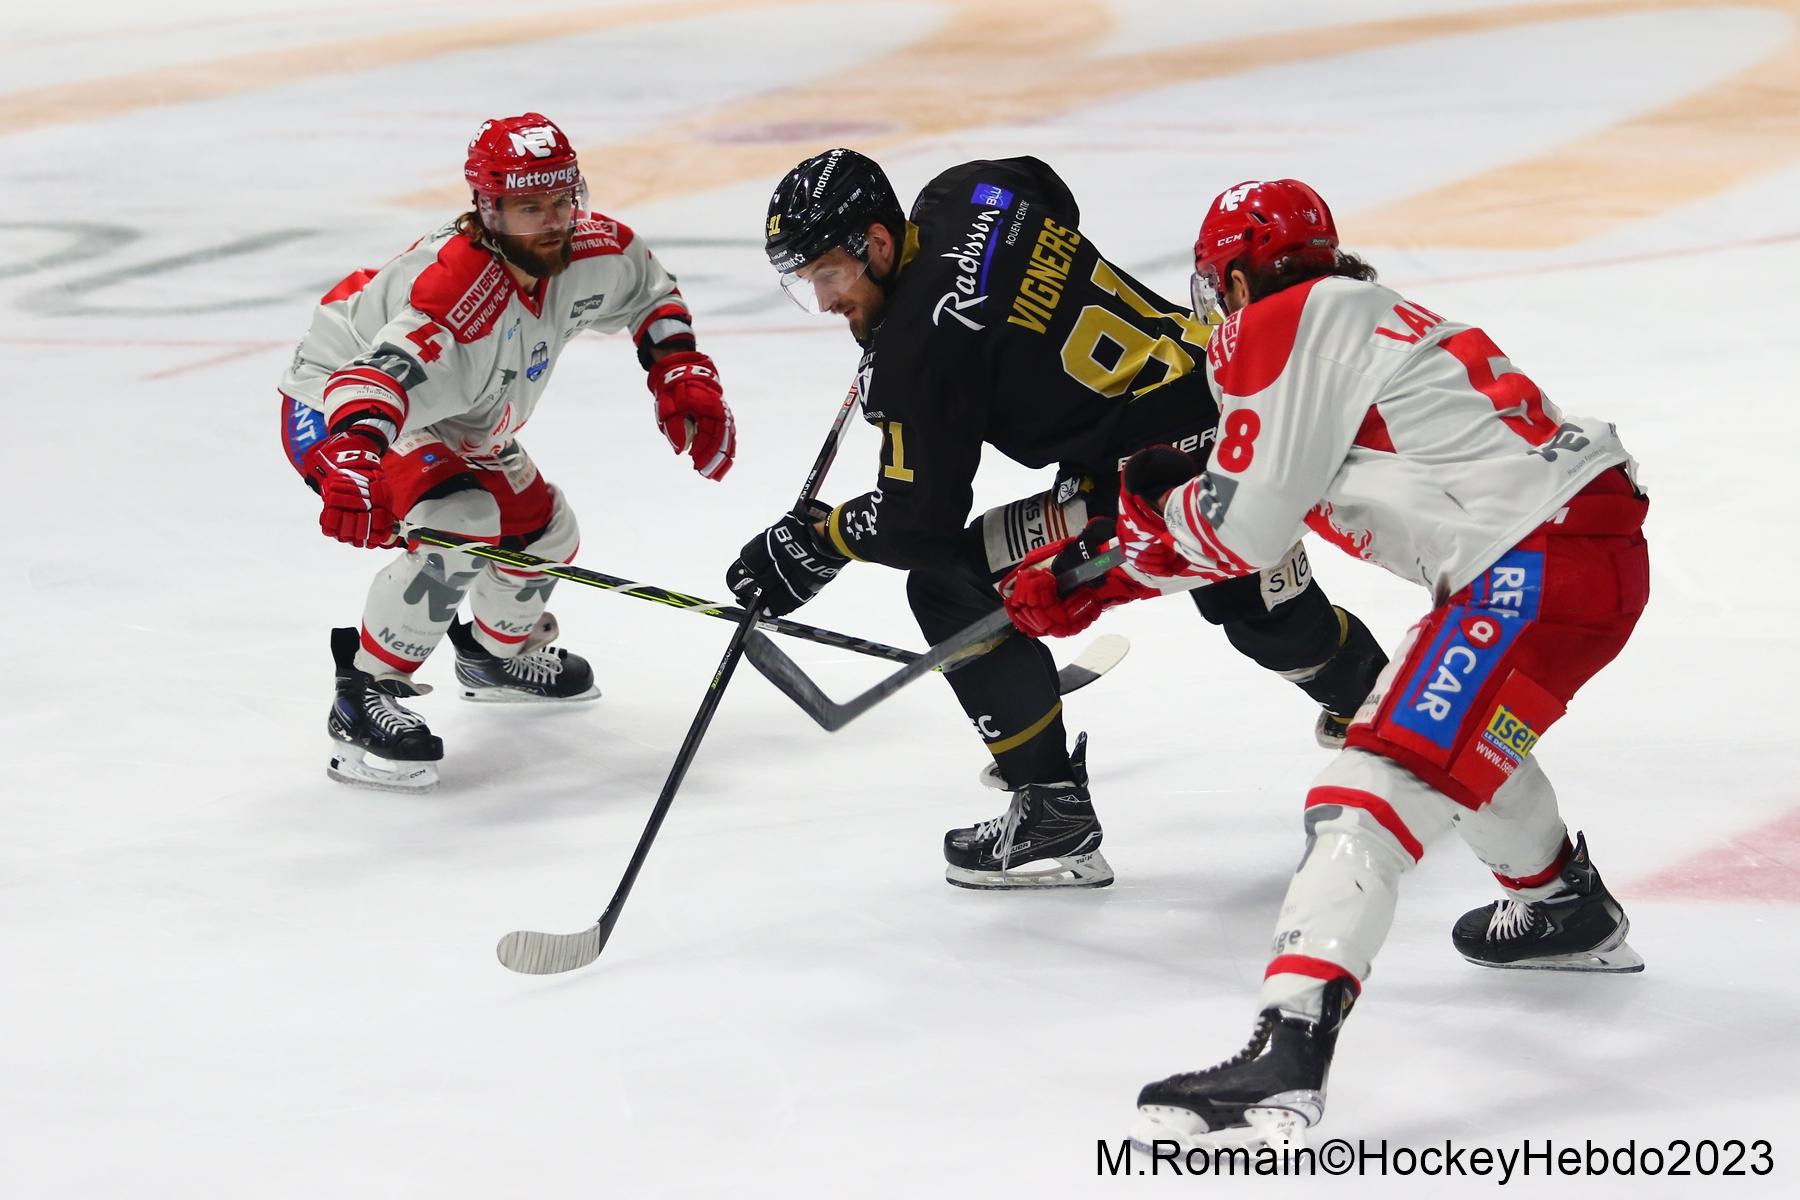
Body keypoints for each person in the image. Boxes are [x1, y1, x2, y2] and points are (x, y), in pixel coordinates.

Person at [1003, 178, 1650, 1148]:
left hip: (1527, 562)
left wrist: (1126, 543)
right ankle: (1561, 904)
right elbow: (1253, 511)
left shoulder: (1282, 324)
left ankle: (1289, 1049)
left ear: (1229, 276)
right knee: (1465, 730)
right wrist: (1116, 573)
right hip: (1585, 555)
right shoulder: (1346, 329)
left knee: (1368, 783)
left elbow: (1242, 524)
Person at [726, 149, 1386, 889]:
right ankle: (1383, 707)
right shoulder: (967, 192)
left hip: (1147, 479)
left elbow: (921, 524)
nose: (822, 301)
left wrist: (824, 537)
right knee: (1254, 598)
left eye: (827, 276)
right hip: (1238, 411)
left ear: (878, 246)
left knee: (947, 588)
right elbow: (1048, 189)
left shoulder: (920, 347)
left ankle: (1049, 810)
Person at [279, 113, 735, 792]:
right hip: (341, 407)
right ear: (486, 210)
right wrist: (355, 457)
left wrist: (679, 367)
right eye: (528, 208)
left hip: (457, 412)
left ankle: (494, 658)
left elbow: (649, 289)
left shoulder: (587, 246)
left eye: (560, 200)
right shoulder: (458, 293)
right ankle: (365, 693)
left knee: (547, 531)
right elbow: (375, 380)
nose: (551, 221)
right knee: (461, 522)